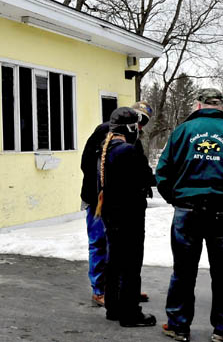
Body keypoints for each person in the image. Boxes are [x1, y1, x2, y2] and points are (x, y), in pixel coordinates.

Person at [155, 88, 223, 342]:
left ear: (198, 105)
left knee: (183, 270)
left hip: (188, 211)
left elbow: (163, 173)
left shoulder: (181, 132)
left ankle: (179, 326)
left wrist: (177, 200)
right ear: (222, 107)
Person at [79, 101, 153, 307]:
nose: (140, 125)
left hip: (119, 202)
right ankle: (99, 290)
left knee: (119, 247)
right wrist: (103, 188)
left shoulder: (134, 138)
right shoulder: (107, 131)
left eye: (143, 122)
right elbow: (87, 163)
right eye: (138, 119)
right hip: (99, 198)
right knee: (100, 243)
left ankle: (124, 289)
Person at [96, 107, 156, 327]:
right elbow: (146, 177)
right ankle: (130, 313)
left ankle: (113, 307)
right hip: (128, 215)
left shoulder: (106, 147)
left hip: (112, 214)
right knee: (131, 266)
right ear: (130, 128)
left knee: (115, 262)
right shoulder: (127, 151)